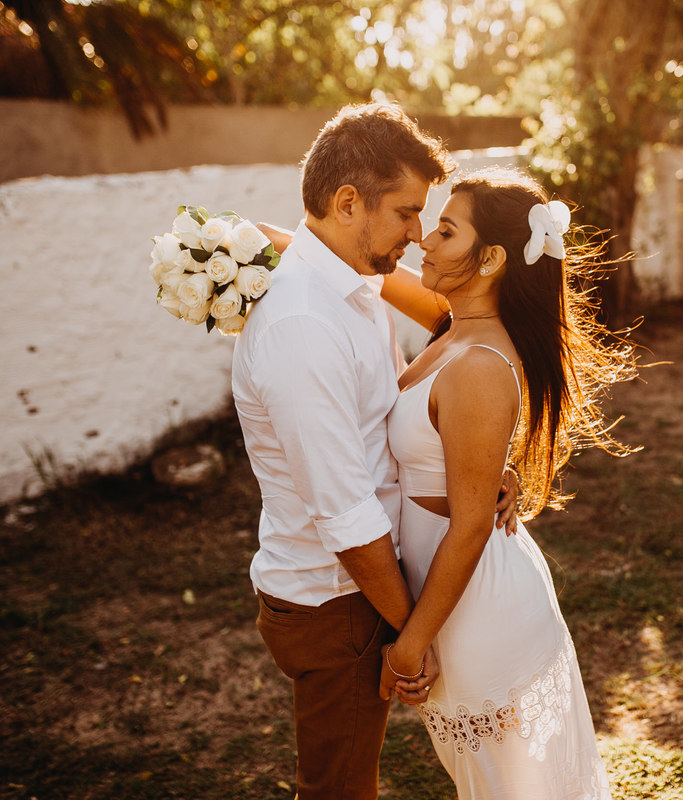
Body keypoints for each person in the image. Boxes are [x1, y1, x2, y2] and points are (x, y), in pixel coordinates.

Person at [230, 104, 516, 800]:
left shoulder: (348, 283)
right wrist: (411, 636)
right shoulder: (303, 323)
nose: (418, 234)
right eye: (408, 213)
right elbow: (346, 516)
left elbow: (401, 397)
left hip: (356, 590)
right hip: (340, 600)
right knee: (339, 790)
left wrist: (477, 466)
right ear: (348, 203)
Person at [379, 168, 637, 799]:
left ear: (492, 259)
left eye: (446, 231)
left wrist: (410, 645)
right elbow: (359, 271)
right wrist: (248, 245)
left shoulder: (478, 363)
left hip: (478, 609)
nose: (424, 241)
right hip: (454, 598)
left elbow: (471, 525)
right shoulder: (456, 326)